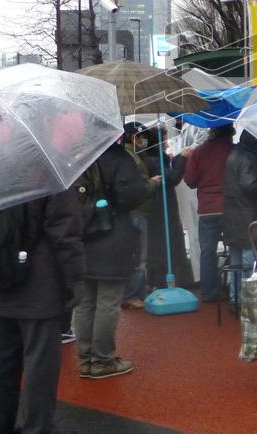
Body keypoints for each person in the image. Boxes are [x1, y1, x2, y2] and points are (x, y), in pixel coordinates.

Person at [0, 189, 84, 434]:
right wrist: (74, 280)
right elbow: (65, 233)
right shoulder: (48, 175)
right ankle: (37, 428)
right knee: (40, 367)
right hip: (39, 286)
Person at [74, 139, 151, 379]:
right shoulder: (118, 158)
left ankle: (86, 359)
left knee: (86, 302)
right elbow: (132, 195)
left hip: (83, 235)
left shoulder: (78, 156)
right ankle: (103, 360)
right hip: (112, 234)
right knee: (108, 301)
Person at [183, 125, 235, 301]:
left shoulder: (198, 152)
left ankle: (209, 292)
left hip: (207, 207)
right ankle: (235, 292)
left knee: (207, 251)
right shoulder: (234, 150)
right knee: (235, 248)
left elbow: (190, 181)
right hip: (230, 206)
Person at [143, 125, 193, 291]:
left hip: (161, 209)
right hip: (161, 209)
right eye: (164, 139)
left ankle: (161, 280)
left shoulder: (155, 158)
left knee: (164, 245)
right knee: (164, 246)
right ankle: (162, 282)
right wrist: (182, 158)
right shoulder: (154, 160)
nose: (166, 142)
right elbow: (170, 179)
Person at [222, 130, 257, 297]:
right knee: (250, 261)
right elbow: (250, 185)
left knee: (236, 262)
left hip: (232, 215)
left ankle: (236, 299)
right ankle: (250, 299)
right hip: (248, 216)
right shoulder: (249, 158)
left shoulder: (234, 154)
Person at [121, 122, 156, 309]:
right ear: (133, 137)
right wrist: (153, 183)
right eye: (140, 137)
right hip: (138, 210)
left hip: (136, 211)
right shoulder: (132, 158)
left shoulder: (130, 155)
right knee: (139, 257)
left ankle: (139, 290)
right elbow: (139, 185)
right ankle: (131, 294)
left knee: (138, 255)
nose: (143, 141)